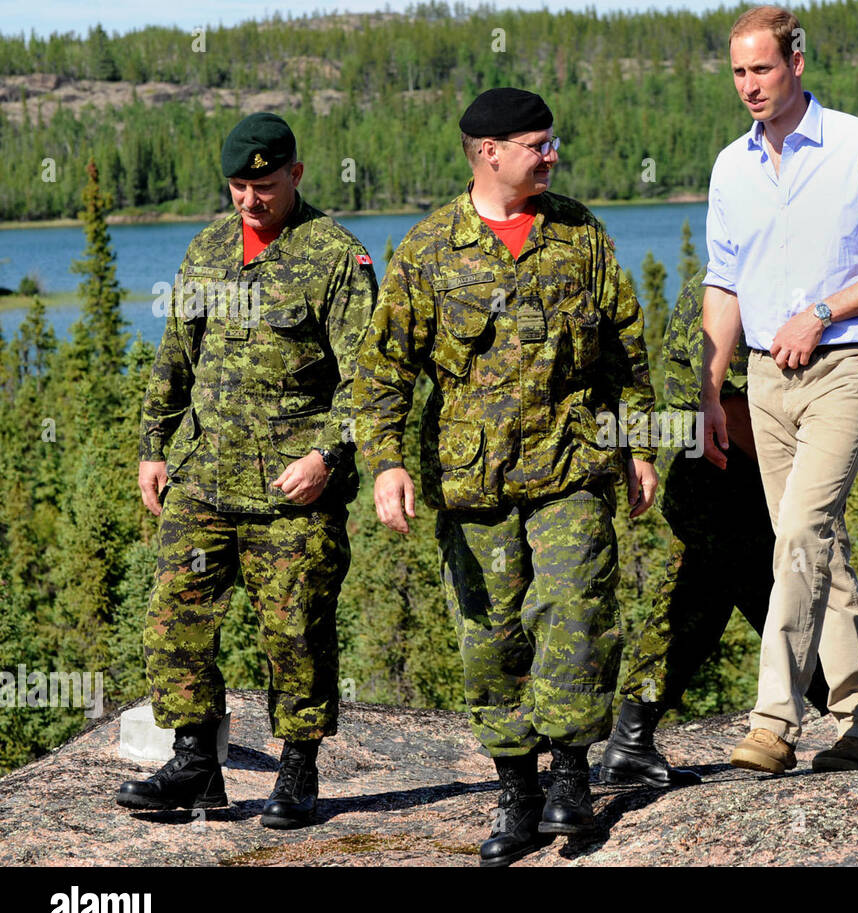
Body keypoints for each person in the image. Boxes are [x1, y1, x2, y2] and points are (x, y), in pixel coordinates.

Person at [352, 88, 659, 866]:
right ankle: (515, 789)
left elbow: (625, 347)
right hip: (472, 482)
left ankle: (570, 780)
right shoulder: (429, 250)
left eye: (553, 142)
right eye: (538, 144)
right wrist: (386, 463)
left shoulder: (580, 233)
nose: (552, 155)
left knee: (575, 614)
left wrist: (640, 445)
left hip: (570, 466)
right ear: (490, 152)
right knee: (489, 642)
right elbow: (384, 370)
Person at [118, 112, 378, 828]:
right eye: (238, 186)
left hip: (291, 491)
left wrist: (328, 456)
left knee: (294, 632)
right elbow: (175, 355)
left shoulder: (335, 258)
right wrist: (152, 443)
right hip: (202, 478)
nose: (249, 201)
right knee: (174, 622)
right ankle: (197, 765)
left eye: (263, 186)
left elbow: (367, 380)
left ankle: (297, 771)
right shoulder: (206, 252)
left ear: (295, 173)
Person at [700, 6, 858, 775]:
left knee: (799, 534)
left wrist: (824, 310)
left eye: (761, 69)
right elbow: (724, 280)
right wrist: (710, 387)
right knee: (816, 549)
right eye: (738, 72)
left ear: (797, 63)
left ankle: (773, 721)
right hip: (764, 378)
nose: (749, 86)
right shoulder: (731, 166)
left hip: (846, 364)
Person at [601, 271, 858, 787]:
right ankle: (630, 741)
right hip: (717, 475)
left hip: (741, 475)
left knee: (773, 594)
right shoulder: (727, 290)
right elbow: (733, 409)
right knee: (704, 605)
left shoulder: (762, 279)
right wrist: (808, 465)